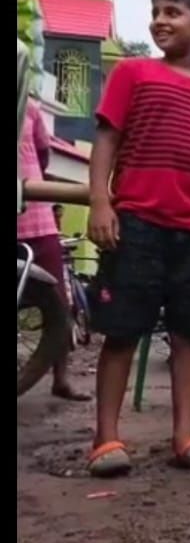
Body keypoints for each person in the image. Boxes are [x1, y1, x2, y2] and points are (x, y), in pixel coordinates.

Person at [86, 0, 190, 476]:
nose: (159, 20)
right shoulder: (132, 74)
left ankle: (185, 436)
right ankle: (106, 440)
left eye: (173, 12)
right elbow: (107, 139)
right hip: (137, 223)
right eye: (155, 11)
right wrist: (99, 203)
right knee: (121, 332)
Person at [18, 97, 90, 402]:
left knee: (58, 302)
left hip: (36, 217)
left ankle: (62, 377)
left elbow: (44, 152)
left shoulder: (29, 105)